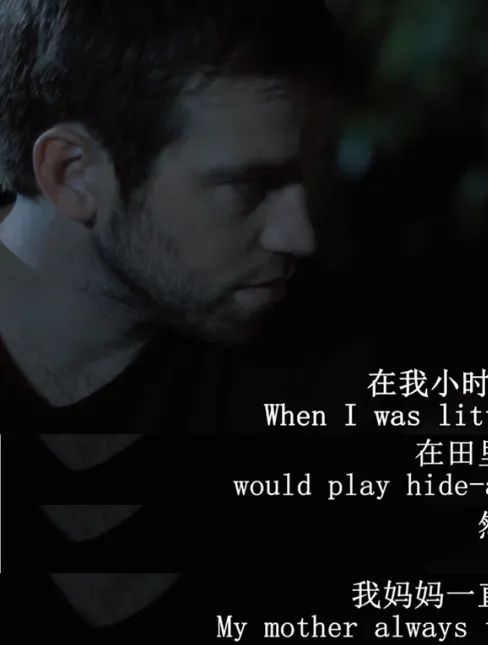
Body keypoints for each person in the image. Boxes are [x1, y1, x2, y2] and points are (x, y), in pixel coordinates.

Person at [0, 1, 353, 640]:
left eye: (305, 178)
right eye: (247, 187)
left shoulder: (332, 364)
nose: (299, 235)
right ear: (72, 174)